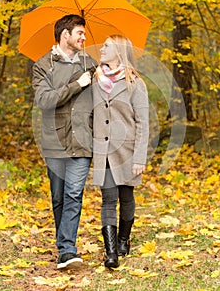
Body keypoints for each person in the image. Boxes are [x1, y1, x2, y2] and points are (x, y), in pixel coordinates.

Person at [32, 14, 97, 270]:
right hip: (55, 141)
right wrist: (76, 84)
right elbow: (44, 101)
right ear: (65, 34)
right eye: (79, 33)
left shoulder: (90, 63)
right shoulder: (42, 65)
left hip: (82, 140)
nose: (83, 38)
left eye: (84, 33)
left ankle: (68, 250)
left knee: (73, 193)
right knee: (58, 197)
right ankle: (64, 246)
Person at [92, 35, 149, 268]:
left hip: (127, 150)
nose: (102, 49)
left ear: (119, 51)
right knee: (108, 199)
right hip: (103, 151)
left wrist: (139, 158)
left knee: (126, 197)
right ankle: (111, 252)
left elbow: (143, 123)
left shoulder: (135, 83)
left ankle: (124, 239)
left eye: (107, 46)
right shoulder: (95, 80)